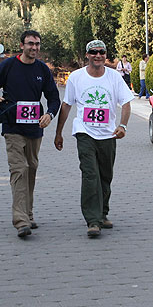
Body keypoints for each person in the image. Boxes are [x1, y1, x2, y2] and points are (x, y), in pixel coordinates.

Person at [0, 30, 60, 238]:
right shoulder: (8, 66)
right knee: (20, 169)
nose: (34, 48)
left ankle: (28, 213)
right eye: (30, 44)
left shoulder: (42, 69)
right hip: (12, 128)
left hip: (35, 129)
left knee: (32, 168)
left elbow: (54, 98)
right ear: (21, 45)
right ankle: (21, 221)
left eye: (37, 44)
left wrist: (50, 114)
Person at [54, 40, 133, 238]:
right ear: (87, 55)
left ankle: (102, 213)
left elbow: (126, 103)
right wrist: (58, 132)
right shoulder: (76, 77)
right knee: (90, 174)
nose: (98, 55)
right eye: (93, 52)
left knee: (105, 176)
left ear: (106, 55)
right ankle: (92, 220)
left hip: (108, 134)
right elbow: (66, 105)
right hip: (85, 133)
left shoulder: (114, 77)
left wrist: (122, 126)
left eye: (101, 52)